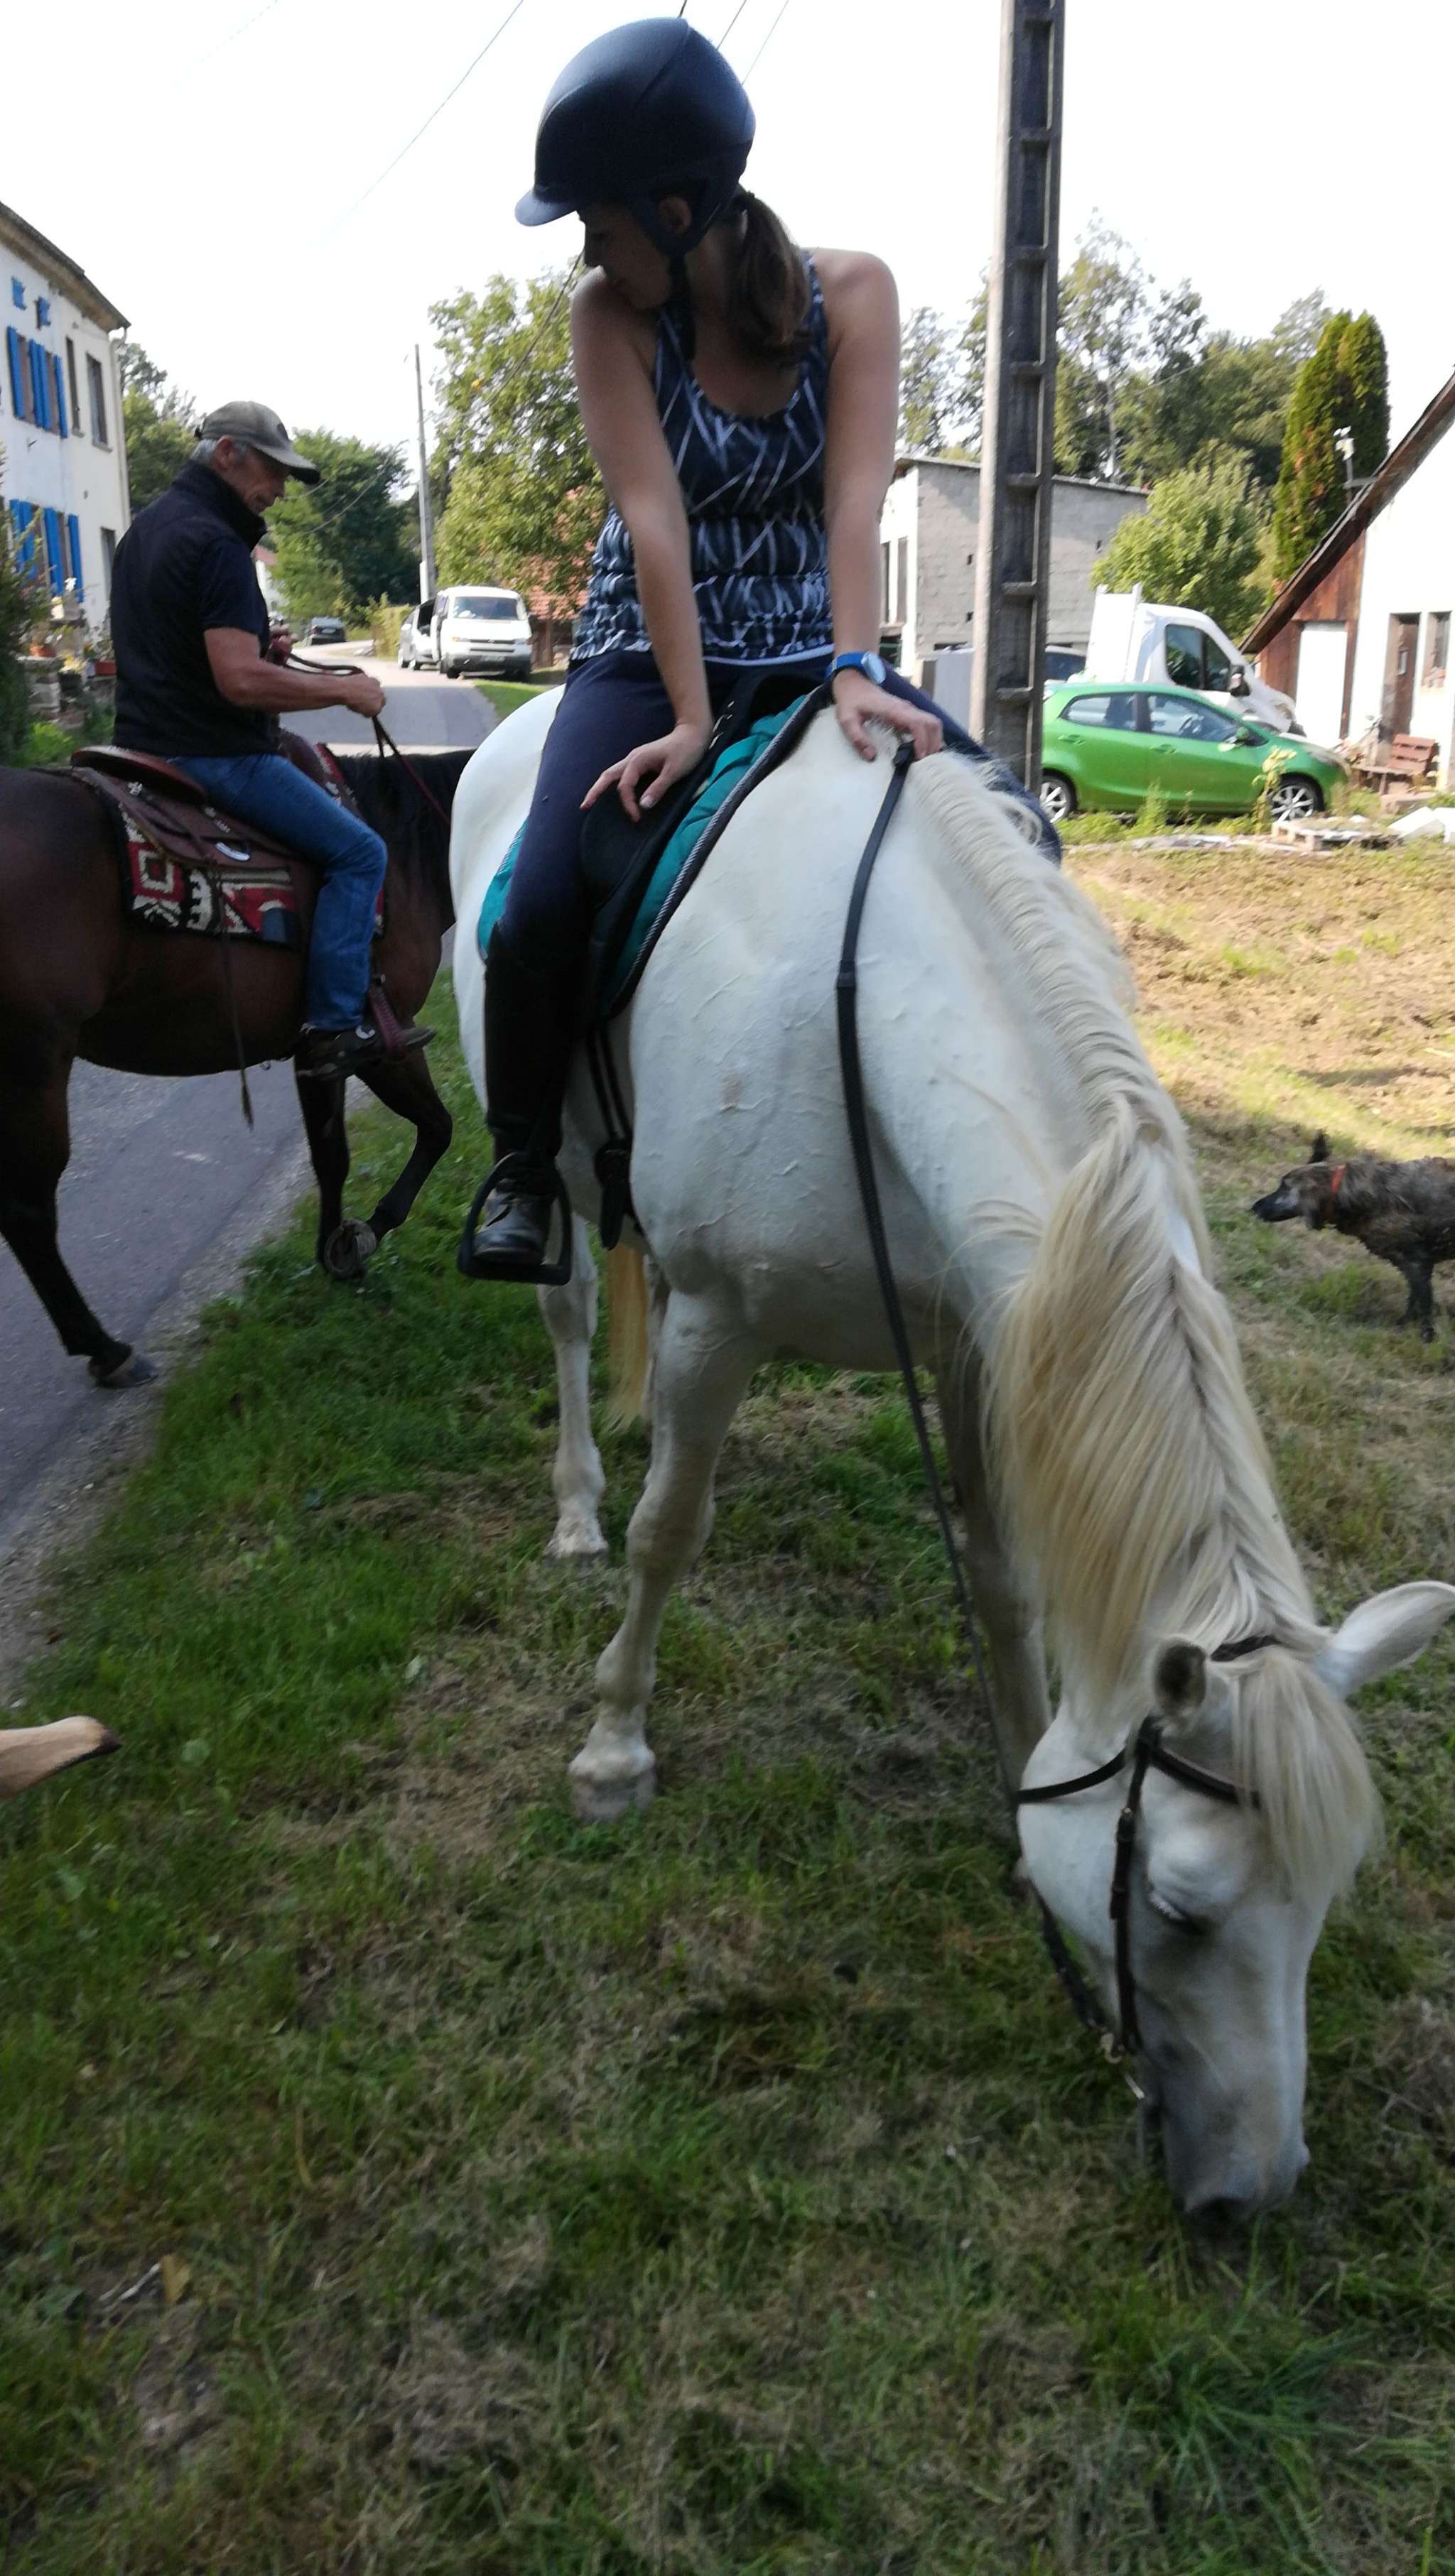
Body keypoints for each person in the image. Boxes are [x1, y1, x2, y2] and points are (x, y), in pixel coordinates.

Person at [467, 15, 969, 1276]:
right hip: (648, 646)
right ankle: (523, 1163)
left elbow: (854, 502)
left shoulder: (854, 296)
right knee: (540, 899)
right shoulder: (610, 318)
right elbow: (656, 524)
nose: (588, 250)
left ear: (677, 208)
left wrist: (854, 664)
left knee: (993, 815)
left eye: (599, 222)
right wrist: (689, 721)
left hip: (807, 641)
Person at [109, 402, 426, 1080]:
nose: (279, 490)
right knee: (360, 852)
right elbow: (239, 682)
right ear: (227, 453)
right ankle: (333, 1026)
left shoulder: (144, 531)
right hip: (214, 754)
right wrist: (344, 691)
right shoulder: (218, 544)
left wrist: (259, 643)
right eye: (273, 471)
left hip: (136, 747)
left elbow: (178, 648)